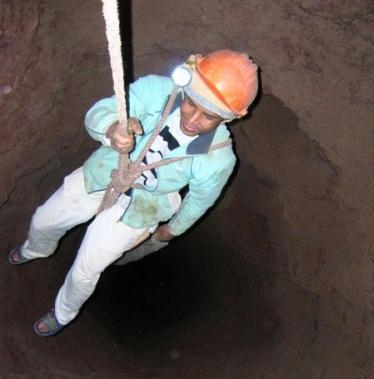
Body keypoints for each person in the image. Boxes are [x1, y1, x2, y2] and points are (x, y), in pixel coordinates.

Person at [8, 50, 258, 336]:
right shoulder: (157, 90)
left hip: (145, 205)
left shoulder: (218, 159)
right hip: (107, 171)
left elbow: (199, 201)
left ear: (230, 118)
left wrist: (171, 231)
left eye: (209, 117)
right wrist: (111, 128)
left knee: (86, 270)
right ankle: (36, 249)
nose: (193, 119)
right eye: (191, 103)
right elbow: (100, 111)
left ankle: (63, 314)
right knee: (43, 220)